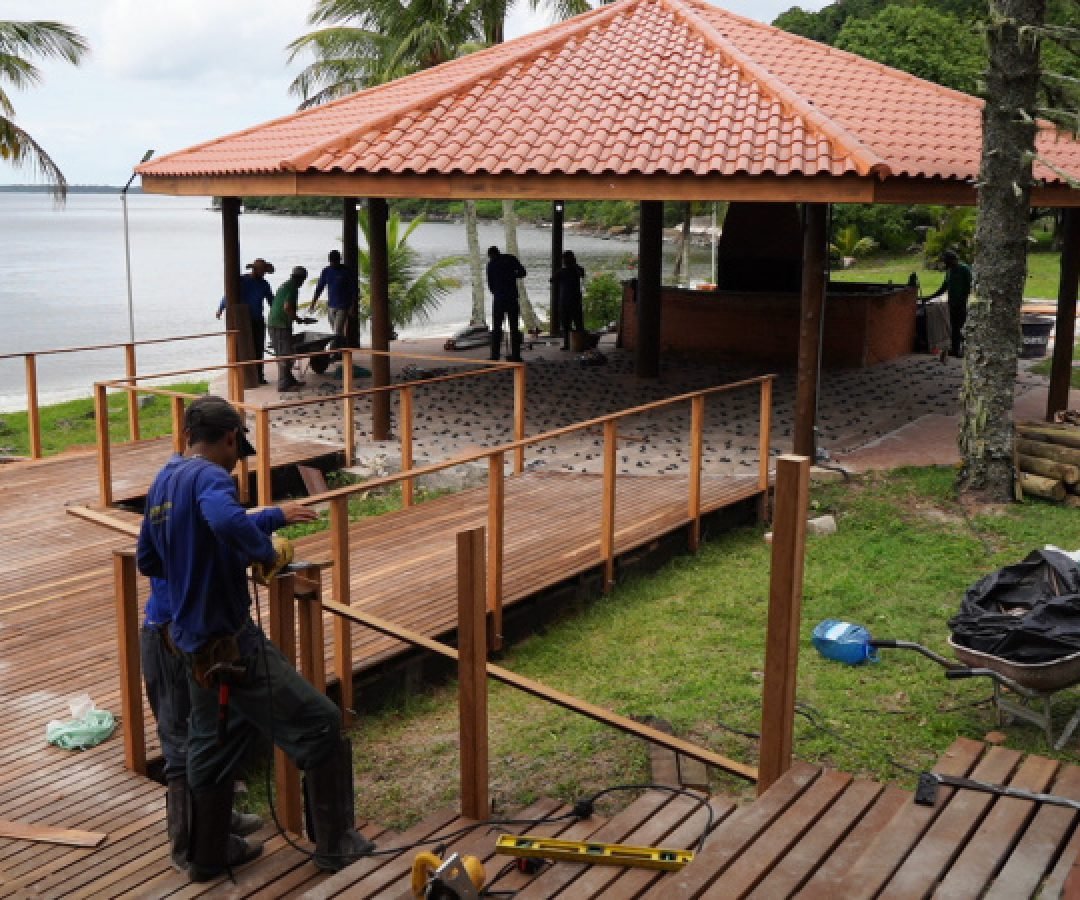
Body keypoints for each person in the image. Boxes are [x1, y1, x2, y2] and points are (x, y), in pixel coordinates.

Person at [136, 395, 375, 882]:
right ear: (228, 438)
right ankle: (336, 844)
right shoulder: (210, 476)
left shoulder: (166, 479)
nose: (236, 458)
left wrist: (203, 565)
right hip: (229, 642)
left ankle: (207, 856)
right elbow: (224, 520)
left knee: (209, 741)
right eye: (236, 447)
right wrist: (263, 552)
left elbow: (149, 560)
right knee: (322, 724)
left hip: (187, 642)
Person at [217, 259, 276, 384]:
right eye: (262, 271)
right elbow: (228, 295)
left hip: (258, 319)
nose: (263, 274)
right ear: (254, 270)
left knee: (259, 348)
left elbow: (271, 301)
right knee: (244, 349)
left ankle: (259, 376)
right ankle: (244, 377)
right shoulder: (242, 280)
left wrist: (277, 312)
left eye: (265, 271)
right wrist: (221, 308)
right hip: (243, 321)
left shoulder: (264, 284)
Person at [268, 266, 309, 392]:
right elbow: (287, 307)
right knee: (285, 354)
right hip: (279, 325)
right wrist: (297, 318)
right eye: (303, 279)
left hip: (278, 323)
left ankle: (289, 379)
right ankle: (283, 384)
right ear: (301, 279)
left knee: (286, 352)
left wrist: (296, 319)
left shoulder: (286, 285)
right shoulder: (293, 288)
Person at [926, 249, 972, 357]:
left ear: (953, 260)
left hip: (961, 304)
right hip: (952, 303)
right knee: (954, 328)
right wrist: (929, 297)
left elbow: (968, 287)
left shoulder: (964, 269)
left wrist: (962, 300)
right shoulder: (949, 271)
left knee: (961, 327)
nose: (946, 264)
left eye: (947, 261)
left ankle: (964, 350)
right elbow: (944, 287)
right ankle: (955, 349)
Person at [485, 245, 527, 362]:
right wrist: (512, 275)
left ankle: (495, 356)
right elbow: (523, 273)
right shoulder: (510, 259)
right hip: (512, 298)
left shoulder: (491, 264)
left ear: (491, 255)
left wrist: (497, 292)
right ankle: (516, 356)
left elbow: (490, 285)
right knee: (514, 328)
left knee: (497, 328)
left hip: (499, 299)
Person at [308, 250, 353, 347]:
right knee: (337, 333)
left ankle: (331, 353)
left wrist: (351, 305)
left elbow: (353, 290)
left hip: (343, 306)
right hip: (331, 306)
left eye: (335, 261)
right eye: (331, 261)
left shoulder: (346, 271)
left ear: (339, 260)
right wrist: (313, 303)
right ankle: (342, 351)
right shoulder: (326, 271)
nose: (333, 263)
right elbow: (319, 288)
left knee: (337, 332)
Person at [553, 250, 586, 351]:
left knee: (569, 324)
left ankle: (571, 344)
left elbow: (552, 280)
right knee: (575, 323)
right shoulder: (575, 270)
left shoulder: (563, 271)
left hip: (566, 300)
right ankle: (576, 344)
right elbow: (582, 273)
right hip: (573, 300)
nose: (564, 261)